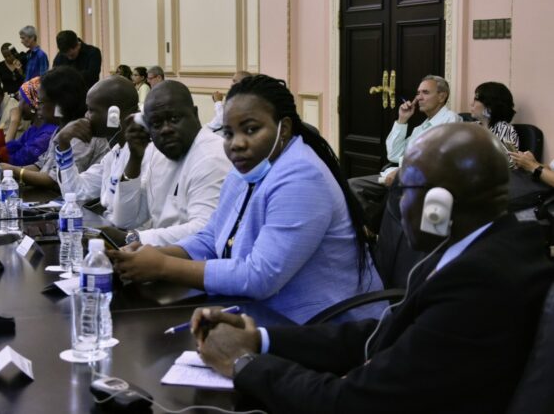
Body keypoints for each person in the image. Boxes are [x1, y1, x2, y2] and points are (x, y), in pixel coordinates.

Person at [190, 122, 554, 413]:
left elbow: (350, 403)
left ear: (437, 207)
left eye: (405, 189)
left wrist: (243, 363)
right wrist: (261, 339)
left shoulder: (478, 283)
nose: (398, 204)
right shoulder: (493, 244)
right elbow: (383, 334)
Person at [109, 75, 383, 324]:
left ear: (284, 128)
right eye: (229, 133)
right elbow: (211, 238)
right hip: (264, 315)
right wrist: (152, 254)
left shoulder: (302, 176)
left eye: (250, 130)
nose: (236, 143)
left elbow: (260, 276)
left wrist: (163, 267)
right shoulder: (249, 168)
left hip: (326, 329)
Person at [96, 79, 230, 247]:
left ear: (195, 114)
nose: (166, 129)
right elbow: (125, 219)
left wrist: (133, 238)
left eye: (174, 118)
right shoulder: (156, 152)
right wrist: (135, 159)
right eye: (156, 124)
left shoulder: (211, 156)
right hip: (161, 255)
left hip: (197, 260)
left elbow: (204, 231)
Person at [348, 75, 462, 230]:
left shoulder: (451, 120)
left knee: (383, 197)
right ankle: (376, 226)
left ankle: (378, 227)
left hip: (420, 181)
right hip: (396, 175)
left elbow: (438, 160)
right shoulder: (421, 127)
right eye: (418, 93)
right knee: (352, 186)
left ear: (442, 96)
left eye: (425, 92)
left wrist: (402, 172)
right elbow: (393, 154)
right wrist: (402, 120)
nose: (419, 97)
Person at [0, 67, 109, 190]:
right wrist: (6, 171)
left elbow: (55, 180)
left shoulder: (80, 131)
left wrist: (14, 171)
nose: (37, 107)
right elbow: (41, 165)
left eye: (41, 102)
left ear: (60, 104)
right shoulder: (60, 128)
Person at [54, 75, 140, 221]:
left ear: (114, 115)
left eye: (91, 110)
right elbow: (75, 193)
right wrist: (63, 144)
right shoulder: (114, 154)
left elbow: (132, 222)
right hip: (111, 231)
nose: (86, 116)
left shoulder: (144, 156)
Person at [4, 77, 57, 166]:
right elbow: (9, 150)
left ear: (32, 103)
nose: (18, 106)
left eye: (20, 100)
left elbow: (13, 160)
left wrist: (14, 122)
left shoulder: (48, 133)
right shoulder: (34, 128)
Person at [471, 81, 518, 165]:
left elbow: (509, 164)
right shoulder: (472, 127)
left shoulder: (505, 129)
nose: (471, 104)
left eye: (475, 100)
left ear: (489, 105)